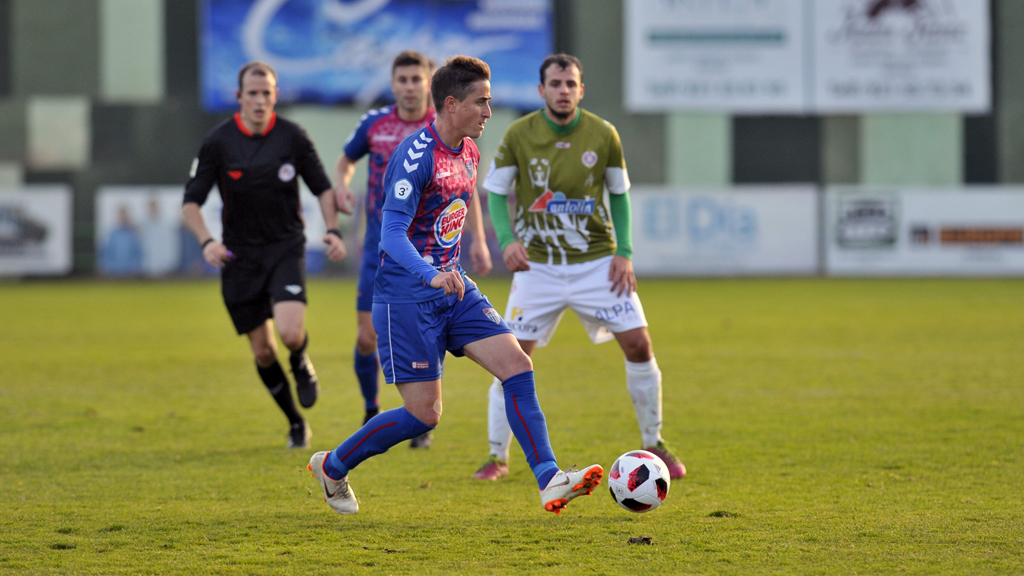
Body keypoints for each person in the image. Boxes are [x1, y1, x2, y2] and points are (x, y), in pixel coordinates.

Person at [307, 55, 602, 516]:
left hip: (454, 289)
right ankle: (333, 465)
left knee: (517, 365)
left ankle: (549, 479)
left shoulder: (469, 151)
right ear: (450, 104)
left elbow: (460, 206)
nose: (488, 111)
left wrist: (473, 247)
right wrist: (430, 273)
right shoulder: (415, 156)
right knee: (424, 416)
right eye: (480, 102)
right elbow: (391, 235)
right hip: (407, 297)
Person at [471, 53, 687, 481]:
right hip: (539, 267)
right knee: (509, 358)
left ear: (581, 90)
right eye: (555, 84)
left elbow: (619, 195)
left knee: (639, 345)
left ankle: (654, 442)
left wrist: (625, 251)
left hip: (597, 263)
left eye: (571, 84)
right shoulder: (519, 134)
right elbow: (495, 191)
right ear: (541, 90)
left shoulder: (603, 134)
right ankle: (497, 456)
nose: (563, 91)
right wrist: (508, 240)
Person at [182, 61, 348, 449]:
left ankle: (300, 359)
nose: (259, 100)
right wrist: (207, 242)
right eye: (252, 93)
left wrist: (333, 229)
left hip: (285, 247)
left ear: (275, 96)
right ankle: (295, 422)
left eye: (266, 93)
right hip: (239, 256)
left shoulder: (293, 137)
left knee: (290, 334)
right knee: (263, 351)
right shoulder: (218, 142)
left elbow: (323, 188)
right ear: (239, 96)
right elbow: (190, 203)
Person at [334, 50, 492, 449]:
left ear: (428, 84)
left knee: (437, 336)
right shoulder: (376, 124)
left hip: (431, 257)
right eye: (401, 80)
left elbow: (465, 192)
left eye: (415, 79)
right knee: (366, 336)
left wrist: (477, 239)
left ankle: (419, 417)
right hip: (384, 245)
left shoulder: (449, 128)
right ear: (393, 85)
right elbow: (346, 161)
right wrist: (341, 185)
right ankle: (374, 410)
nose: (409, 87)